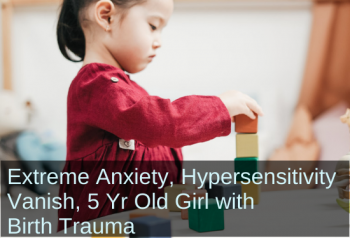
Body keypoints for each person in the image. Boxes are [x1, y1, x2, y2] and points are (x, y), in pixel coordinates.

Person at [56, 0, 263, 231]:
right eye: (153, 26)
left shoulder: (128, 91)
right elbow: (161, 123)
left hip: (144, 224)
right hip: (102, 227)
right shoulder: (94, 85)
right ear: (106, 16)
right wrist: (219, 107)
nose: (159, 42)